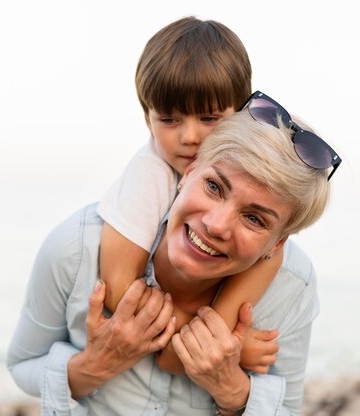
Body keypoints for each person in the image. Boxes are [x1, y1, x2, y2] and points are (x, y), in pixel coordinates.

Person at [6, 92, 342, 415]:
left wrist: (231, 389)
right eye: (214, 187)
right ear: (190, 171)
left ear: (277, 243)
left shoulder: (292, 287)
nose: (216, 225)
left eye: (254, 219)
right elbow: (22, 365)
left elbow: (288, 410)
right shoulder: (76, 248)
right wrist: (93, 367)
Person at [96, 17, 281, 374]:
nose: (190, 137)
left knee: (275, 252)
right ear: (147, 119)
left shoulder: (252, 177)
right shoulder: (149, 172)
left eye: (210, 118)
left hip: (186, 324)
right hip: (166, 326)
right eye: (169, 120)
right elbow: (118, 291)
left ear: (242, 114)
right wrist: (232, 349)